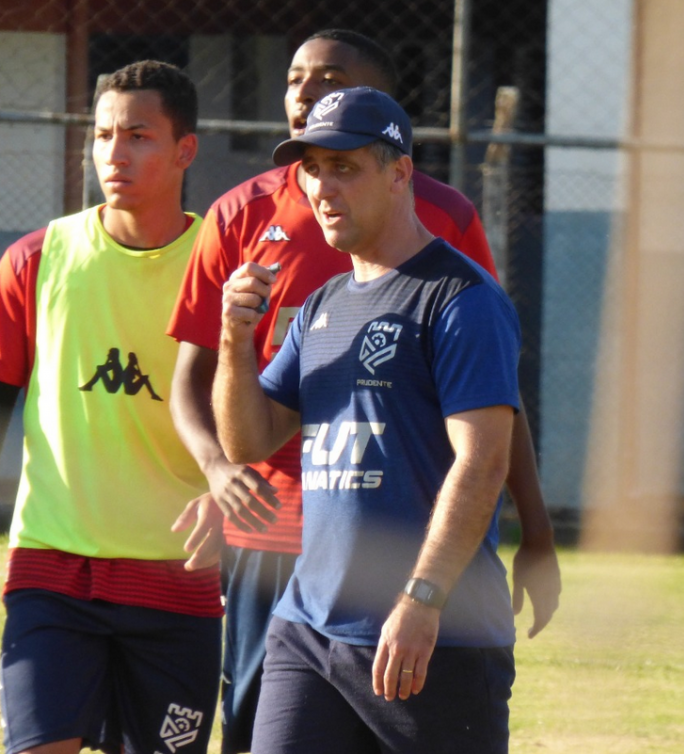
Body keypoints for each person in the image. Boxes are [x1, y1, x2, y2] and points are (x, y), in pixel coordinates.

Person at [167, 29, 561, 754]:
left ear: (398, 172)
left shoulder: (460, 298)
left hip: (434, 630)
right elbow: (250, 439)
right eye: (313, 170)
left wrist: (423, 596)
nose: (322, 188)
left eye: (343, 168)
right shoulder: (323, 304)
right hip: (308, 625)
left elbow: (481, 463)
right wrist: (233, 337)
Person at [0, 61, 225, 754]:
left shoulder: (224, 267)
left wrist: (234, 489)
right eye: (103, 134)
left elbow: (266, 402)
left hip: (175, 578)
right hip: (52, 572)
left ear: (185, 150)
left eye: (139, 135)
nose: (114, 154)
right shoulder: (38, 258)